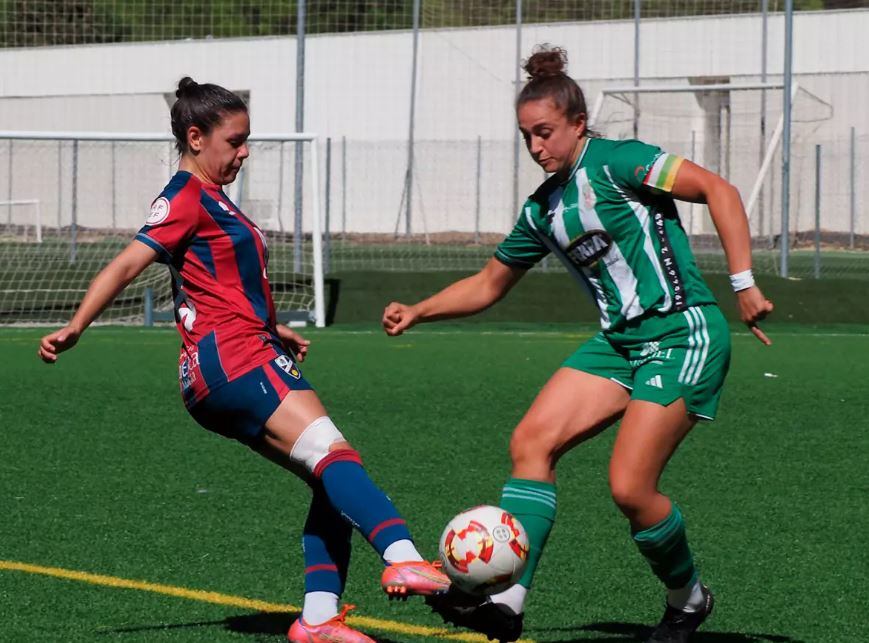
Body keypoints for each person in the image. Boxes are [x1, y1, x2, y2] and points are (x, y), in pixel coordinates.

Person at [382, 46, 773, 643]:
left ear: (578, 125)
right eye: (526, 136)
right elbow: (490, 283)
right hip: (619, 343)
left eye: (545, 133)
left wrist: (743, 283)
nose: (536, 147)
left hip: (682, 331)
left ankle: (688, 600)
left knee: (630, 489)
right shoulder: (542, 209)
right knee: (530, 442)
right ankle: (507, 604)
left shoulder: (621, 162)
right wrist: (419, 309)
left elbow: (719, 190)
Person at [38, 77, 449, 643]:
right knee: (335, 456)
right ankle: (402, 555)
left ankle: (320, 620)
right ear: (196, 137)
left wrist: (272, 325)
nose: (245, 151)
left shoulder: (213, 197)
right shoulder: (184, 195)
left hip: (237, 354)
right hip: (232, 360)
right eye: (235, 140)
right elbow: (127, 264)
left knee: (328, 480)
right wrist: (77, 324)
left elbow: (213, 280)